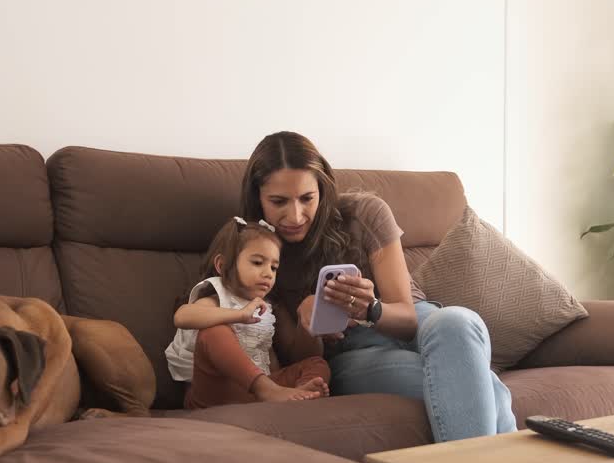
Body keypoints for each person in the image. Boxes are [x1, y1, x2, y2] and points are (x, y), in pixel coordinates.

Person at [241, 131, 515, 442]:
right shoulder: (256, 253)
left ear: (322, 190)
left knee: (458, 321)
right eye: (278, 202)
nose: (295, 215)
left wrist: (372, 308)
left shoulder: (363, 213)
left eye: (307, 199)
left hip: (411, 322)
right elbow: (298, 362)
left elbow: (408, 318)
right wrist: (311, 325)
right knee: (485, 388)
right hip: (349, 354)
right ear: (257, 198)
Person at [166, 216, 330, 409]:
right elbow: (182, 316)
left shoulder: (265, 307)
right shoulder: (218, 296)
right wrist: (239, 315)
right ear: (222, 265)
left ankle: (301, 394)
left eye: (274, 267)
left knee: (316, 363)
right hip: (213, 394)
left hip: (255, 395)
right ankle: (268, 390)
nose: (268, 273)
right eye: (258, 262)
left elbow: (266, 355)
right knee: (213, 331)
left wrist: (278, 385)